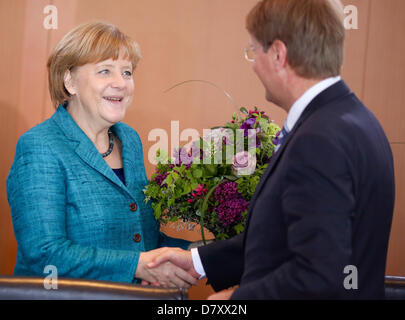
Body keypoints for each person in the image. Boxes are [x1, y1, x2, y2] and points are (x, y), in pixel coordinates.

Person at [147, 0, 395, 299]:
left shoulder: (319, 139)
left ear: (278, 53)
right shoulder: (356, 120)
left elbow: (319, 275)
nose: (252, 62)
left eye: (253, 50)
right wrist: (199, 262)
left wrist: (235, 301)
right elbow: (284, 240)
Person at [6, 21, 198, 288]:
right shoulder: (39, 146)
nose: (120, 83)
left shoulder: (129, 140)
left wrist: (204, 253)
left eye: (127, 72)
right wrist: (137, 266)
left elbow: (140, 238)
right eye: (105, 71)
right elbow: (44, 255)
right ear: (70, 81)